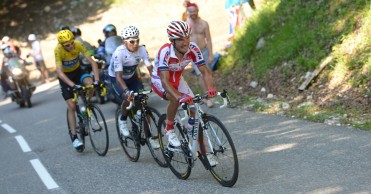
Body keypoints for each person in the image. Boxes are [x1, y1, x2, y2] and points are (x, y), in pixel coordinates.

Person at [151, 21, 217, 150]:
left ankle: (193, 133)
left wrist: (210, 88)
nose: (185, 42)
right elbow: (165, 81)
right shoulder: (165, 51)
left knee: (194, 108)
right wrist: (179, 96)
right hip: (160, 79)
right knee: (175, 99)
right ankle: (169, 128)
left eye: (187, 37)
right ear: (172, 40)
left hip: (178, 78)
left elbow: (205, 71)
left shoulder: (193, 48)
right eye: (180, 39)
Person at [107, 25, 156, 147]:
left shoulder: (142, 49)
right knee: (126, 97)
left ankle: (149, 136)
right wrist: (127, 91)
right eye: (132, 41)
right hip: (116, 78)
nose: (135, 43)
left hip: (131, 77)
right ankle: (123, 119)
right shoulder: (119, 53)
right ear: (124, 42)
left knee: (143, 102)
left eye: (137, 40)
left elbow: (150, 68)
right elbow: (118, 77)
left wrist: (158, 82)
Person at [54, 30, 101, 150]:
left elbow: (92, 62)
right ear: (62, 45)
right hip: (65, 77)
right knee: (72, 106)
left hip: (78, 72)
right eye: (67, 45)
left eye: (71, 43)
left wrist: (96, 81)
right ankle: (74, 137)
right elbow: (59, 71)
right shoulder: (58, 50)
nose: (70, 46)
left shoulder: (78, 44)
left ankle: (87, 105)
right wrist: (72, 85)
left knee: (90, 84)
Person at [186, 2, 215, 107]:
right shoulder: (186, 24)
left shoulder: (204, 23)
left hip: (204, 51)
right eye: (190, 11)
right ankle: (207, 98)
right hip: (193, 53)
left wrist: (211, 54)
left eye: (194, 11)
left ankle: (210, 92)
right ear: (187, 12)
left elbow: (209, 39)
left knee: (207, 72)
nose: (192, 13)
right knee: (200, 74)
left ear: (197, 11)